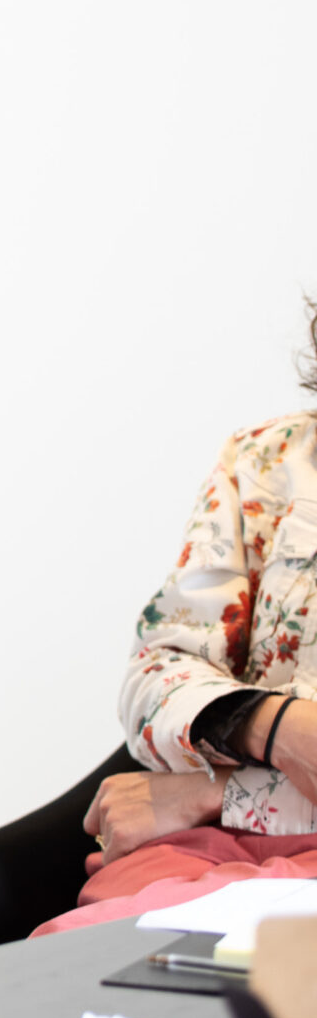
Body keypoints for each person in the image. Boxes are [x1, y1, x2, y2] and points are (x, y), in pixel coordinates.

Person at [93, 312, 317, 862]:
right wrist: (273, 726)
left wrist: (212, 793)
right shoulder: (263, 460)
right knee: (78, 945)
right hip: (226, 859)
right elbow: (156, 670)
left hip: (238, 834)